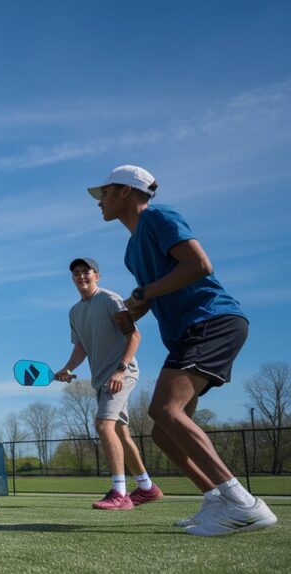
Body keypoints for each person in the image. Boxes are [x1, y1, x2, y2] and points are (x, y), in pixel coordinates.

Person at [89, 164, 276, 536]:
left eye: (106, 193)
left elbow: (199, 265)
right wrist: (131, 312)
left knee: (164, 409)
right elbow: (157, 290)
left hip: (212, 321)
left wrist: (142, 295)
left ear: (126, 191)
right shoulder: (131, 251)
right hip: (191, 331)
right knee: (162, 431)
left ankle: (243, 503)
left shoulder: (160, 215)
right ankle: (217, 502)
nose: (101, 202)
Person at [53, 257, 162, 510]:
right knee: (120, 433)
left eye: (86, 272)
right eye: (76, 273)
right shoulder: (75, 312)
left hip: (121, 374)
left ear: (97, 276)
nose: (81, 276)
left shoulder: (110, 300)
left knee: (103, 425)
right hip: (101, 379)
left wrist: (121, 370)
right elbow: (81, 346)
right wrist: (68, 368)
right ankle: (147, 488)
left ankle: (119, 492)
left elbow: (134, 335)